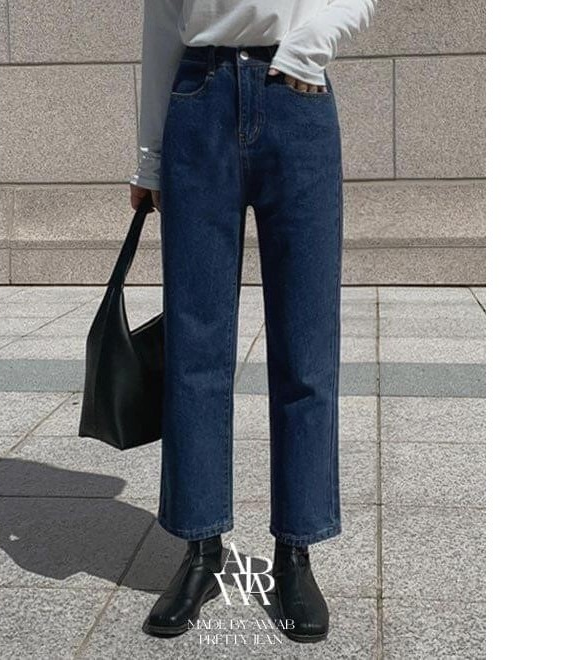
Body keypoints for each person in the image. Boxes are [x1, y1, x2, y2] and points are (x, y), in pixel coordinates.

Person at [129, 0, 377, 643]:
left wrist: (307, 48)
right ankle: (201, 550)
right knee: (195, 346)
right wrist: (149, 158)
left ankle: (296, 552)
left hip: (296, 97)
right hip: (198, 97)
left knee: (306, 346)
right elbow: (162, 24)